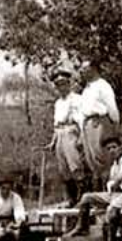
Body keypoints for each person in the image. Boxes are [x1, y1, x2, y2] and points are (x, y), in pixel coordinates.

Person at [67, 135, 122, 241]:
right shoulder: (115, 165)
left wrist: (117, 181)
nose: (112, 151)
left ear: (120, 148)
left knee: (111, 210)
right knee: (87, 197)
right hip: (118, 194)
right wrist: (112, 187)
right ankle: (82, 227)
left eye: (114, 147)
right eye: (108, 149)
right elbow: (111, 185)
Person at [47, 68, 88, 206]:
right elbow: (56, 124)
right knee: (63, 169)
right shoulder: (58, 103)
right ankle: (71, 199)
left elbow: (81, 120)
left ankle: (83, 198)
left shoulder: (77, 99)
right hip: (60, 133)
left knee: (75, 165)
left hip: (71, 131)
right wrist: (53, 142)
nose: (61, 87)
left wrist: (82, 137)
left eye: (64, 84)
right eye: (58, 85)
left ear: (69, 84)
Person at [77, 61, 120, 190]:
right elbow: (82, 111)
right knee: (91, 160)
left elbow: (111, 107)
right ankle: (97, 194)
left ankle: (109, 191)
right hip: (87, 124)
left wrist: (114, 123)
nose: (82, 71)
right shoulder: (86, 89)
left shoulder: (103, 86)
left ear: (93, 69)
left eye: (85, 68)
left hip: (100, 122)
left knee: (102, 157)